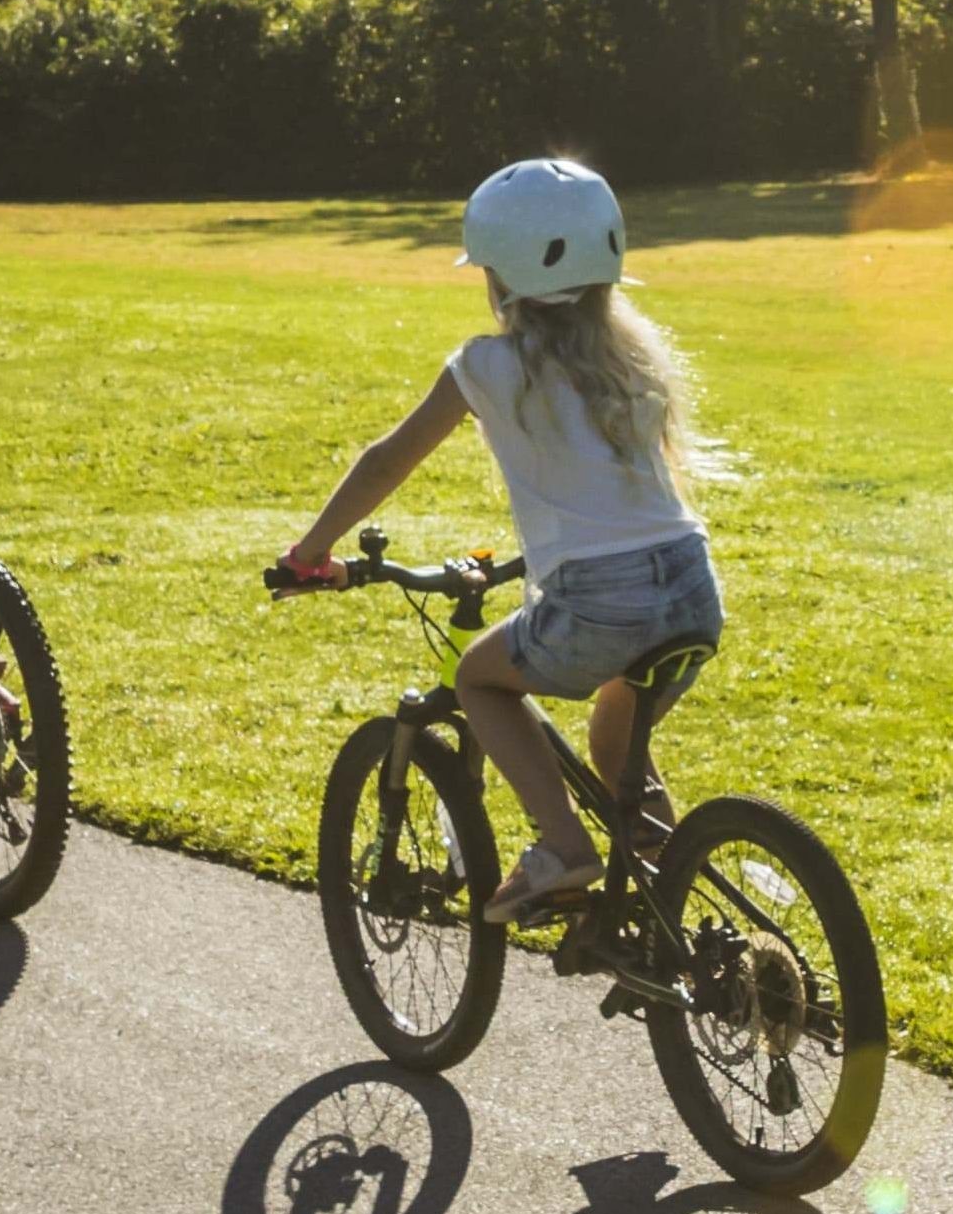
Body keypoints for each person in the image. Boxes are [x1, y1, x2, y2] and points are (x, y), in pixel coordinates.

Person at [273, 157, 719, 925]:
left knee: (481, 681)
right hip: (689, 586)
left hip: (598, 601)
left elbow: (387, 459)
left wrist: (310, 550)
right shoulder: (634, 354)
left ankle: (562, 847)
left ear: (502, 280)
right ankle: (668, 917)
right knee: (617, 752)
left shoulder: (486, 365)